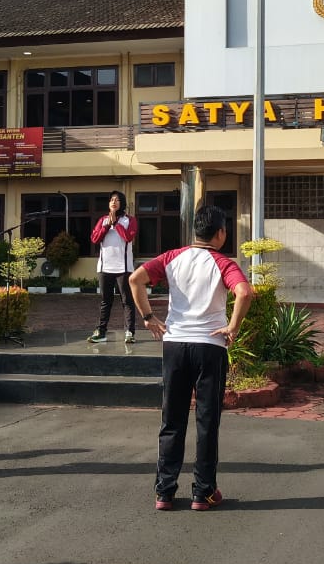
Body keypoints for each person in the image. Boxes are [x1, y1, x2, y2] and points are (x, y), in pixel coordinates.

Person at [128, 205, 252, 512]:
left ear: (195, 230)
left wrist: (148, 317)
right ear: (220, 233)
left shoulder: (172, 257)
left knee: (172, 419)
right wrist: (233, 327)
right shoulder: (223, 262)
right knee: (207, 421)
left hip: (175, 344)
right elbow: (244, 292)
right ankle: (203, 493)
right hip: (210, 346)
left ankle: (165, 492)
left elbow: (135, 279)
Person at [88, 191, 140, 344]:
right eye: (111, 200)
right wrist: (107, 226)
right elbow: (95, 238)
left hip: (123, 268)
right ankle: (101, 332)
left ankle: (129, 332)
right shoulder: (103, 220)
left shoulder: (129, 220)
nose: (113, 202)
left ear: (122, 203)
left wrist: (116, 224)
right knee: (105, 301)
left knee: (127, 301)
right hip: (105, 267)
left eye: (117, 200)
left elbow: (128, 237)